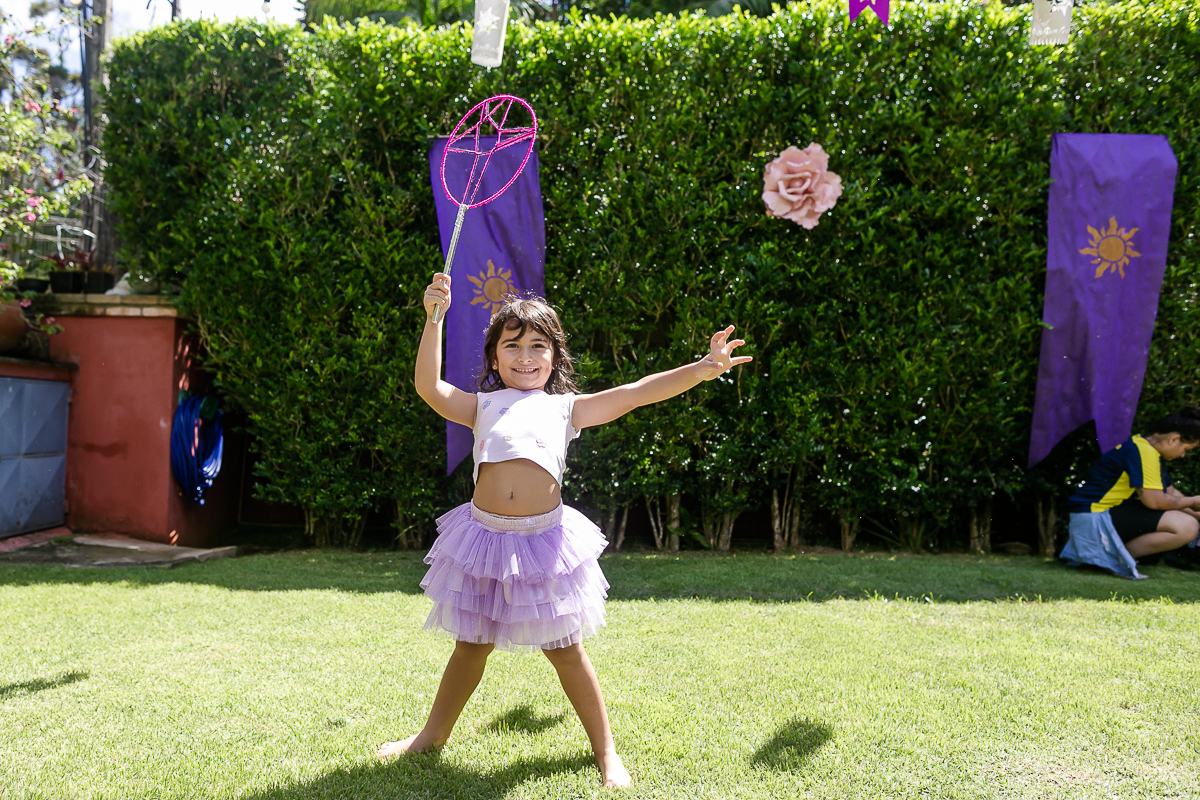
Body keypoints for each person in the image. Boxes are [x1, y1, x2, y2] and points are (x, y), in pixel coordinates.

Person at [376, 272, 751, 787]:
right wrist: (433, 320)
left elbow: (636, 393)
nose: (525, 356)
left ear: (555, 357)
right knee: (470, 646)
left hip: (543, 543)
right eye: (512, 346)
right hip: (484, 539)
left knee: (566, 650)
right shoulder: (481, 405)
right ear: (493, 359)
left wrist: (702, 368)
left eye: (538, 346)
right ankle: (430, 736)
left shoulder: (566, 408)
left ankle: (606, 752)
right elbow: (429, 387)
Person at [1061, 408, 1200, 578]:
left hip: (1099, 515)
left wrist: (1197, 511)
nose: (1183, 455)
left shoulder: (1145, 447)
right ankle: (1114, 559)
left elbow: (1171, 493)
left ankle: (1112, 556)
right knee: (1186, 526)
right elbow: (1155, 502)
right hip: (1094, 517)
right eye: (1186, 449)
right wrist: (1193, 502)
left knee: (1186, 520)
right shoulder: (1144, 452)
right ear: (1174, 439)